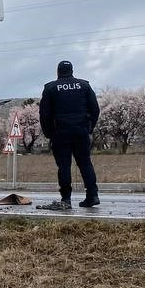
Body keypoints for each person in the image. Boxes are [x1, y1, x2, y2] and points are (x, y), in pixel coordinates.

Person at [38, 60, 101, 210]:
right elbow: (95, 109)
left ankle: (66, 198)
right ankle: (92, 195)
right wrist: (89, 127)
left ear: (58, 71)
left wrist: (49, 133)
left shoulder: (50, 88)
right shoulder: (84, 85)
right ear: (72, 71)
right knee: (85, 163)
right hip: (81, 131)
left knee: (64, 166)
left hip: (60, 133)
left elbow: (44, 114)